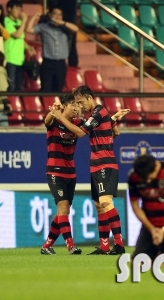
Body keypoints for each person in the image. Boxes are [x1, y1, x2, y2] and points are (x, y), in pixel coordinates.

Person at [49, 85, 129, 255]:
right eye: (76, 103)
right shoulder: (100, 114)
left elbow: (80, 133)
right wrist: (110, 123)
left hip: (104, 164)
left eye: (81, 102)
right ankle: (104, 246)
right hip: (97, 165)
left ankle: (120, 244)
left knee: (106, 203)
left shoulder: (97, 112)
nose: (80, 106)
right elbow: (116, 132)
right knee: (99, 206)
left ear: (90, 97)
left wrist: (60, 118)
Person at [40, 93, 82, 255]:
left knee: (63, 212)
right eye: (73, 105)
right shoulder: (54, 122)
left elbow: (83, 132)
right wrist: (52, 112)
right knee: (63, 207)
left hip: (71, 172)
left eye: (77, 105)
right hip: (55, 171)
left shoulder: (77, 124)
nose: (76, 109)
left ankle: (47, 246)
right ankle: (70, 245)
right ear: (64, 106)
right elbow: (46, 121)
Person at [127, 154, 164, 266]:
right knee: (136, 264)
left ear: (156, 166)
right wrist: (152, 229)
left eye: (150, 177)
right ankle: (161, 253)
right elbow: (135, 206)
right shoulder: (134, 176)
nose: (147, 181)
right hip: (150, 227)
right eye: (144, 179)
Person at [27, 6, 79, 92]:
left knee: (58, 89)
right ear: (50, 15)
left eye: (60, 15)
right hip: (48, 63)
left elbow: (76, 29)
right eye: (55, 14)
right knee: (46, 89)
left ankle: (56, 105)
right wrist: (34, 18)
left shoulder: (65, 28)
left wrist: (62, 22)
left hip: (61, 63)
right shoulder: (44, 27)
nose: (57, 16)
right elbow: (28, 29)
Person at [3, 0, 34, 92]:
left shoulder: (19, 22)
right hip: (9, 58)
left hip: (20, 59)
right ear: (9, 9)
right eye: (17, 9)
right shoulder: (6, 21)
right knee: (10, 86)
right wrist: (24, 21)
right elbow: (16, 35)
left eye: (20, 9)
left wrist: (28, 47)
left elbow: (21, 39)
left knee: (19, 87)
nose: (19, 11)